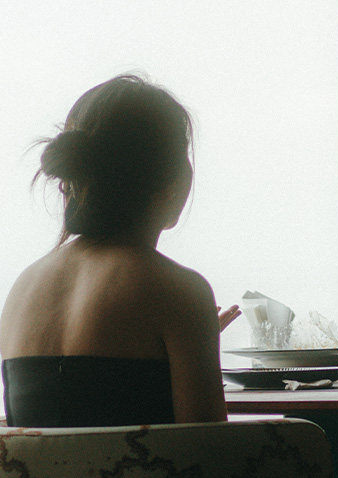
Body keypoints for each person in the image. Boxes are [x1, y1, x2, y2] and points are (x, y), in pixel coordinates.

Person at [0, 75, 241, 427]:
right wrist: (193, 338)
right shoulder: (179, 294)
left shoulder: (22, 290)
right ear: (177, 183)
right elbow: (209, 459)